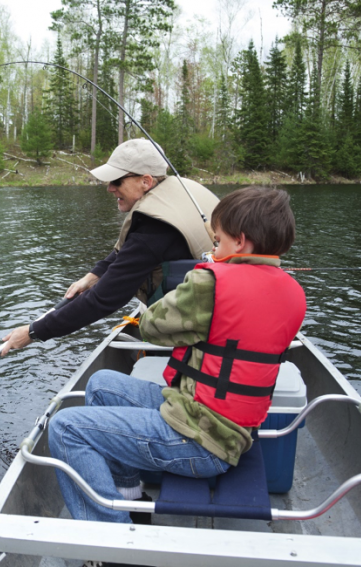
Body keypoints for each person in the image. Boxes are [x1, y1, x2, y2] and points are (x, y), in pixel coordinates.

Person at [47, 186, 307, 524]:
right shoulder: (292, 293)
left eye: (217, 241)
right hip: (223, 428)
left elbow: (152, 327)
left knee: (65, 427)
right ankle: (129, 496)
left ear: (240, 242)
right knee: (101, 384)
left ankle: (111, 541)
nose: (213, 248)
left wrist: (199, 277)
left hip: (198, 441)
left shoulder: (210, 283)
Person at [1, 138, 219, 356]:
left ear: (146, 181)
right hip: (213, 310)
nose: (109, 188)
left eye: (116, 181)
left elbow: (103, 299)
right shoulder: (179, 191)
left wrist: (33, 332)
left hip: (202, 332)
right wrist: (92, 276)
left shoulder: (155, 229)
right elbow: (126, 253)